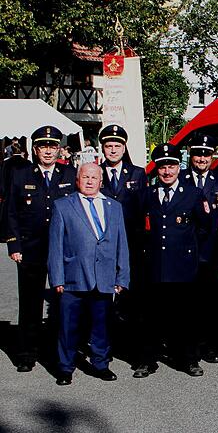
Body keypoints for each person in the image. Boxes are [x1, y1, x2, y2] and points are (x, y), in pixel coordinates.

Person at [47, 163, 130, 385]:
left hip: (104, 279)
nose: (90, 181)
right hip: (73, 279)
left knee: (101, 326)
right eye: (85, 177)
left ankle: (101, 364)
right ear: (77, 180)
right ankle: (65, 368)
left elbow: (122, 244)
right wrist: (57, 278)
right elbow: (55, 246)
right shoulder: (63, 206)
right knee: (68, 327)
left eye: (94, 177)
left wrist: (122, 277)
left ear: (101, 181)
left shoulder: (114, 207)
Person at [3, 126, 77, 373]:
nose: (48, 151)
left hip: (61, 249)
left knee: (60, 303)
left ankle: (55, 351)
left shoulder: (69, 173)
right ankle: (26, 353)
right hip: (30, 249)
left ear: (60, 149)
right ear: (34, 149)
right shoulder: (21, 174)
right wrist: (14, 243)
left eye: (52, 146)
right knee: (30, 303)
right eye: (43, 146)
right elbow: (10, 211)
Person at [133, 143, 210, 378]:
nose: (167, 172)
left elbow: (205, 228)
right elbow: (138, 228)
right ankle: (148, 360)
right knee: (151, 317)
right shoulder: (146, 194)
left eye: (172, 166)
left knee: (185, 316)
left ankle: (189, 360)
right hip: (154, 266)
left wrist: (191, 254)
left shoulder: (193, 194)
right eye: (162, 166)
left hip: (183, 267)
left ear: (179, 167)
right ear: (156, 168)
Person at [181, 134, 218, 364]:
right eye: (197, 153)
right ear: (190, 155)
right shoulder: (180, 178)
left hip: (212, 250)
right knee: (187, 302)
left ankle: (210, 347)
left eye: (206, 154)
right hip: (185, 250)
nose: (201, 158)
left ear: (213, 155)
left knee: (211, 302)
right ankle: (186, 346)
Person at [98, 125, 148, 354]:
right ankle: (106, 341)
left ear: (124, 147)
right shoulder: (95, 173)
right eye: (109, 146)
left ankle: (130, 344)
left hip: (131, 243)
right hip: (104, 243)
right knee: (103, 295)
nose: (113, 150)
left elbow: (142, 209)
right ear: (103, 148)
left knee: (131, 293)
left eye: (117, 146)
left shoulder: (137, 173)